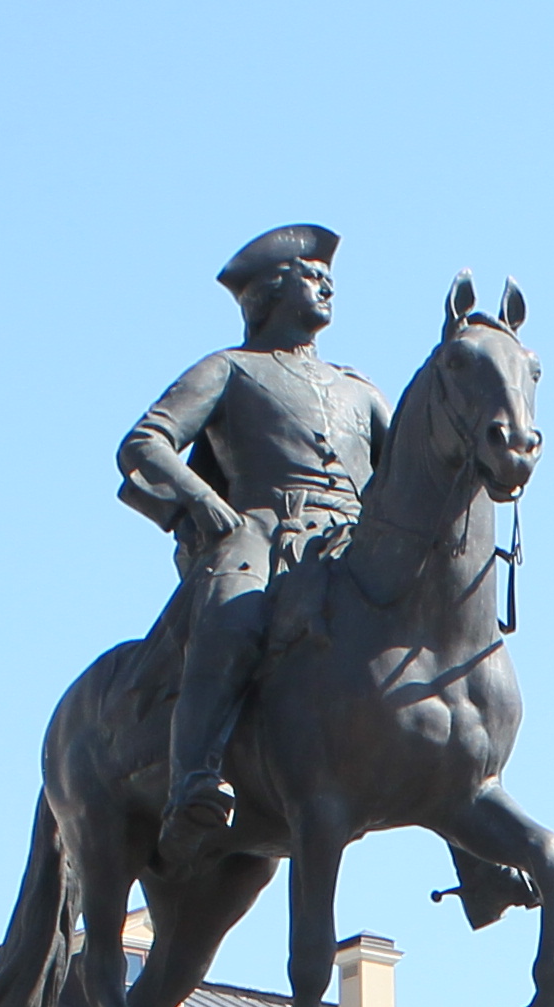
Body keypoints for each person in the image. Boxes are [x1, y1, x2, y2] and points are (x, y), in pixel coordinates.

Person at [121, 223, 389, 867]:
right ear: (270, 290)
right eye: (308, 273)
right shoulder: (229, 370)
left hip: (349, 544)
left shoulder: (360, 389)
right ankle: (193, 780)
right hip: (262, 535)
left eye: (329, 276)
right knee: (230, 619)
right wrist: (201, 498)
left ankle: (469, 828)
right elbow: (143, 444)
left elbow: (406, 469)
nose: (325, 283)